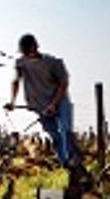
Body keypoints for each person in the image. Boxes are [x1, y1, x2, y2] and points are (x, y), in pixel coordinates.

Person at [4, 33, 77, 168]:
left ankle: (72, 161)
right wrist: (12, 101)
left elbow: (63, 84)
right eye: (23, 52)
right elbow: (16, 81)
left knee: (65, 130)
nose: (25, 55)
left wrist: (54, 104)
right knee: (54, 136)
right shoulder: (20, 63)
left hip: (60, 102)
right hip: (40, 106)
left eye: (27, 51)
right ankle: (66, 165)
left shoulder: (54, 63)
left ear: (34, 48)